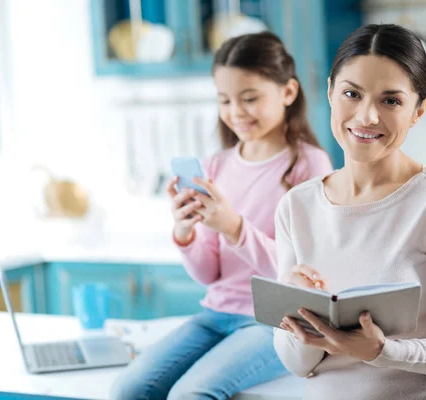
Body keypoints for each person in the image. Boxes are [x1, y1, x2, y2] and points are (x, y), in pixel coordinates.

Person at [109, 32, 333, 400]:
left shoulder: (309, 165)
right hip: (214, 316)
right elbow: (208, 274)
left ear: (288, 93)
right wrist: (186, 232)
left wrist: (234, 228)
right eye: (225, 100)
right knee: (129, 390)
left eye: (250, 98)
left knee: (188, 396)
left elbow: (305, 274)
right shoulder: (215, 165)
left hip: (276, 322)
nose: (236, 113)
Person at [273, 24, 426, 400]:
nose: (367, 116)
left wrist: (382, 352)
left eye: (391, 101)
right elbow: (298, 364)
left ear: (418, 111)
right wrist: (298, 311)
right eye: (351, 94)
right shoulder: (297, 206)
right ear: (330, 92)